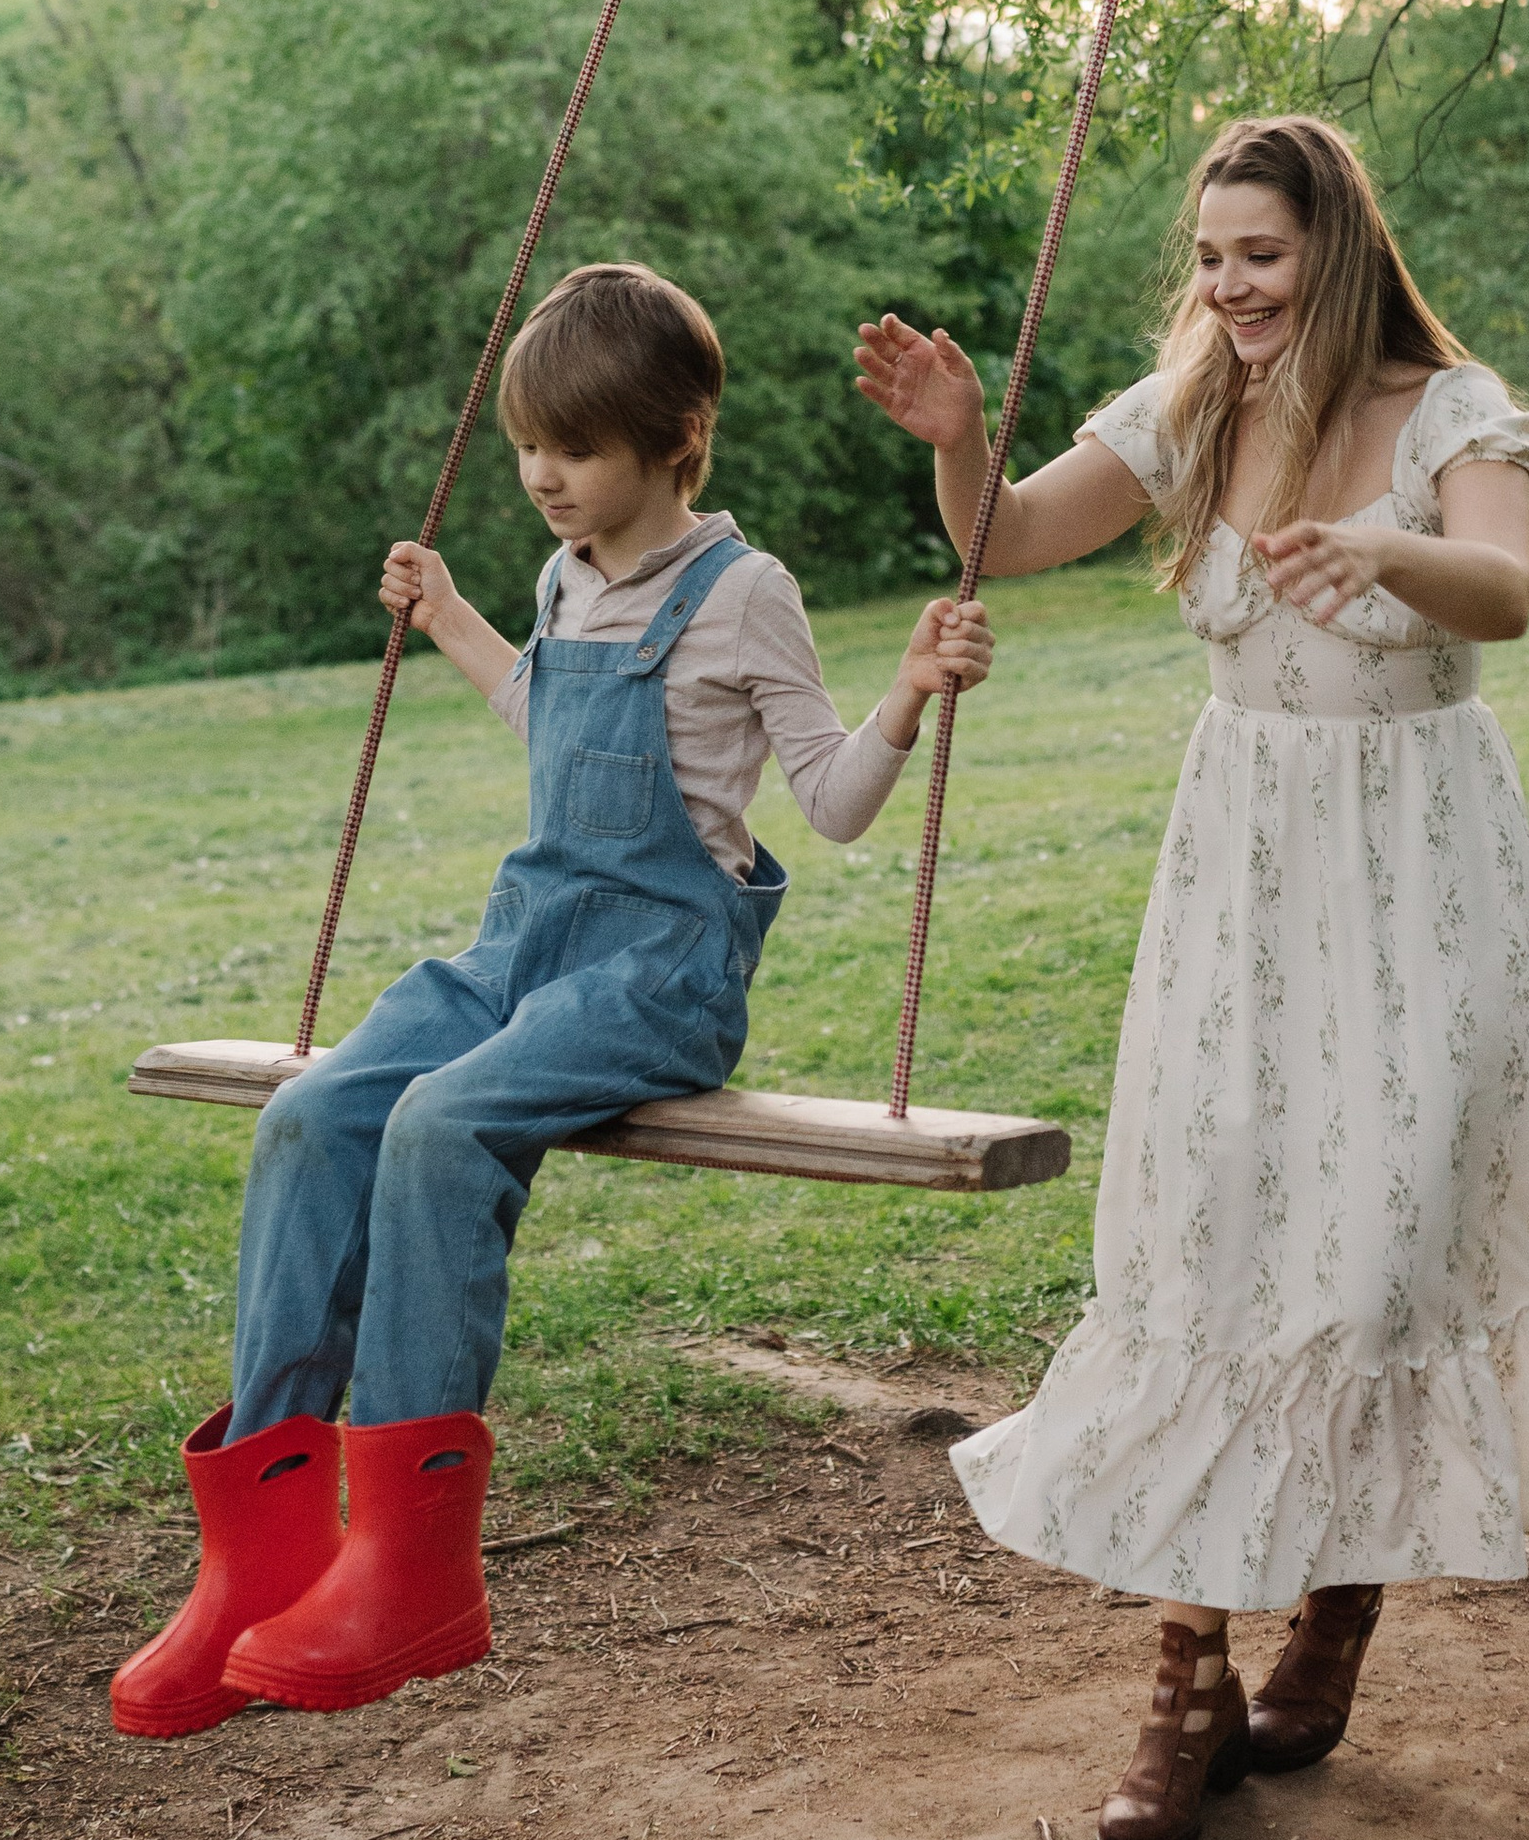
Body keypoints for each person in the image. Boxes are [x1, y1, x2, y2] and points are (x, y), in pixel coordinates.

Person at [855, 115, 1529, 1840]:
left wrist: (1384, 552)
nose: (1227, 286)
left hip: (1422, 880)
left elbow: (1503, 586)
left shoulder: (1452, 409)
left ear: (1336, 248)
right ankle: (1182, 1680)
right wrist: (961, 444)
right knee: (1215, 1237)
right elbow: (1018, 535)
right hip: (1246, 887)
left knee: (1376, 1246)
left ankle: (1336, 1603)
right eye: (1209, 257)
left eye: (1258, 255)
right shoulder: (1196, 399)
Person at [113, 258, 993, 1739]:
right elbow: (547, 711)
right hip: (524, 940)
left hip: (660, 971)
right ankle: (261, 1558)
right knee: (317, 1112)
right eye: (529, 446)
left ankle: (415, 1568)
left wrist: (909, 691)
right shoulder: (562, 574)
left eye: (574, 450)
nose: (541, 476)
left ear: (673, 440)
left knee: (441, 1129)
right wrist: (456, 616)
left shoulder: (745, 591)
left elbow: (834, 804)